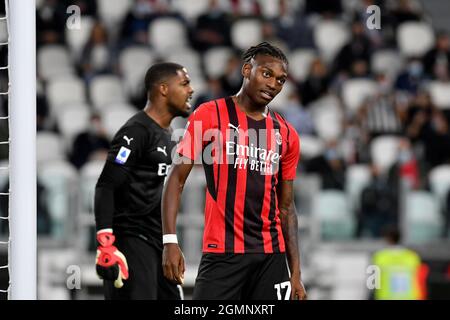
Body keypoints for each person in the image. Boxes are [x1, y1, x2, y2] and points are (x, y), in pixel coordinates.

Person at [161, 42, 307, 300]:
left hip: (270, 258)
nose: (274, 84)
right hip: (222, 255)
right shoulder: (208, 115)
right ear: (247, 70)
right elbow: (176, 179)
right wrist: (170, 240)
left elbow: (286, 207)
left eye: (281, 80)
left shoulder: (286, 134)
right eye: (267, 74)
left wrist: (295, 273)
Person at [94, 62, 194, 300]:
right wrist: (106, 243)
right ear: (163, 89)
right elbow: (106, 185)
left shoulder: (168, 134)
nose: (191, 90)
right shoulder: (136, 132)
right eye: (184, 83)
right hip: (131, 240)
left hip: (157, 242)